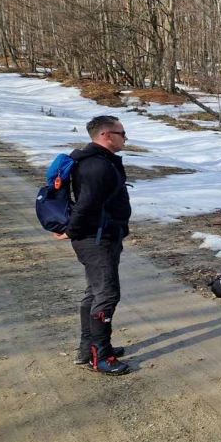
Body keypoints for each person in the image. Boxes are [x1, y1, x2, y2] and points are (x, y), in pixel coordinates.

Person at [54, 116, 132, 375]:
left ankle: (89, 348)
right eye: (122, 133)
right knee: (107, 295)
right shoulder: (96, 166)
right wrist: (71, 231)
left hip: (102, 236)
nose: (125, 137)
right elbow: (87, 203)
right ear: (107, 135)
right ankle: (100, 356)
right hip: (97, 239)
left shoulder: (99, 161)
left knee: (94, 292)